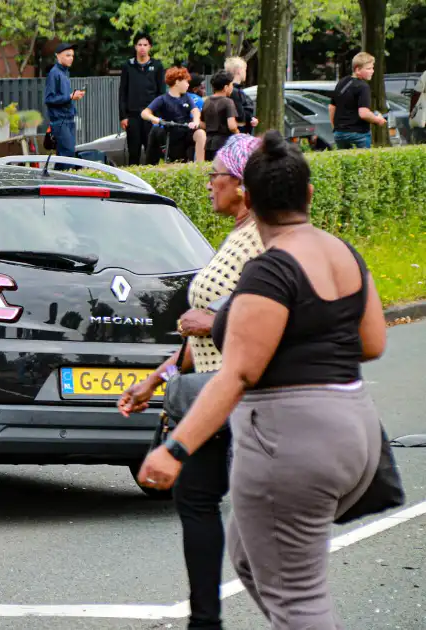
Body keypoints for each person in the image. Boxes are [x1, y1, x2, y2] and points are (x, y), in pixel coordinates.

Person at [137, 130, 387, 628]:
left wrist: (174, 448)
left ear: (249, 196)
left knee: (297, 595)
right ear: (309, 193)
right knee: (253, 561)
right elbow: (373, 342)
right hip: (354, 431)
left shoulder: (268, 272)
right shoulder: (343, 253)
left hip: (291, 436)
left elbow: (238, 375)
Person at [119, 134, 265, 630]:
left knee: (252, 515)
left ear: (242, 186)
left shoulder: (264, 238)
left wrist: (215, 319)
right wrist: (155, 380)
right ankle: (205, 621)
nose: (209, 184)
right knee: (196, 501)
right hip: (205, 393)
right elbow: (197, 330)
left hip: (241, 394)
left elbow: (265, 309)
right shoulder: (234, 235)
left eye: (216, 175)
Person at [141, 67, 207, 163]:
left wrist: (196, 121)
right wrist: (154, 118)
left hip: (185, 131)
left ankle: (200, 166)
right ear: (177, 82)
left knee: (200, 134)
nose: (188, 85)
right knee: (155, 133)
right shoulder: (162, 99)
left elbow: (195, 111)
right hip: (170, 133)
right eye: (186, 82)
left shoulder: (187, 97)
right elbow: (144, 113)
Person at [118, 33, 166, 165]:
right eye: (139, 45)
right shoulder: (128, 66)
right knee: (133, 152)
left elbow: (161, 92)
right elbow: (123, 92)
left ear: (150, 47)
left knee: (152, 151)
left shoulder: (157, 66)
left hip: (151, 115)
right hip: (133, 115)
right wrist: (123, 116)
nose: (142, 48)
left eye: (145, 45)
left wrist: (159, 116)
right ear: (135, 47)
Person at [330, 52, 388, 150]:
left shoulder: (342, 82)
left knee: (345, 164)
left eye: (372, 68)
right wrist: (378, 120)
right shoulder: (363, 86)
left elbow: (331, 107)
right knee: (364, 164)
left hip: (339, 134)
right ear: (357, 69)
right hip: (358, 135)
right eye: (368, 69)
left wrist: (335, 128)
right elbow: (364, 113)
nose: (372, 71)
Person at [44, 43, 85, 158]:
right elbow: (49, 99)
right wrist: (70, 96)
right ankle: (63, 175)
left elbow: (64, 97)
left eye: (72, 55)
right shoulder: (54, 73)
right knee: (67, 153)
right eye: (68, 55)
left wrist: (73, 97)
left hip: (68, 119)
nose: (71, 58)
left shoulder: (64, 73)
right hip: (60, 121)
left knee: (66, 154)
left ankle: (59, 175)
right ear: (58, 56)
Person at [202, 71, 241, 157]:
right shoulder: (228, 102)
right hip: (224, 144)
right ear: (226, 87)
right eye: (231, 85)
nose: (232, 87)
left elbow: (202, 124)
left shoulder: (206, 101)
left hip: (208, 144)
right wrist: (238, 134)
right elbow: (232, 126)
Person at [225, 57, 258, 135]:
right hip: (239, 135)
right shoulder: (234, 92)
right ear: (239, 71)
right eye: (245, 69)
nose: (245, 72)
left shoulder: (235, 90)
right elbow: (239, 116)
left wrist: (251, 118)